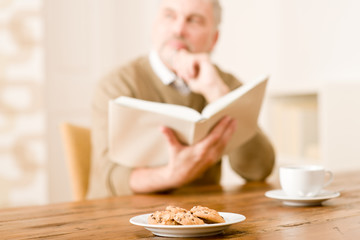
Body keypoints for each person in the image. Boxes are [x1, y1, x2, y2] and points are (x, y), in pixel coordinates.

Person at [88, 0, 275, 198]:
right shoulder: (116, 84)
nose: (178, 29)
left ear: (214, 38)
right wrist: (172, 175)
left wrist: (217, 94)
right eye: (169, 16)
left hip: (200, 220)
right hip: (119, 216)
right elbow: (110, 177)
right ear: (155, 25)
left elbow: (259, 170)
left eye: (194, 21)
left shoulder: (223, 84)